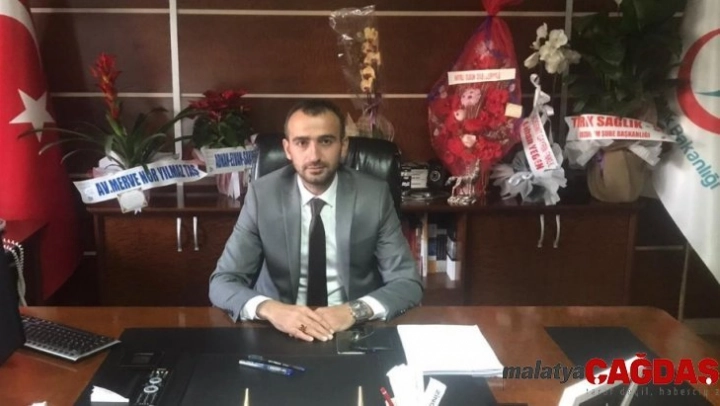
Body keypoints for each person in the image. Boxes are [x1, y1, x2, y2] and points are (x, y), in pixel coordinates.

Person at [209, 99, 423, 342]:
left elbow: (407, 283)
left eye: (326, 141)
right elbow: (223, 282)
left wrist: (353, 311)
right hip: (278, 330)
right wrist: (272, 310)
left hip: (351, 330)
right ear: (287, 149)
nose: (314, 156)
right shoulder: (262, 196)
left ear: (343, 146)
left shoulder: (374, 196)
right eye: (302, 142)